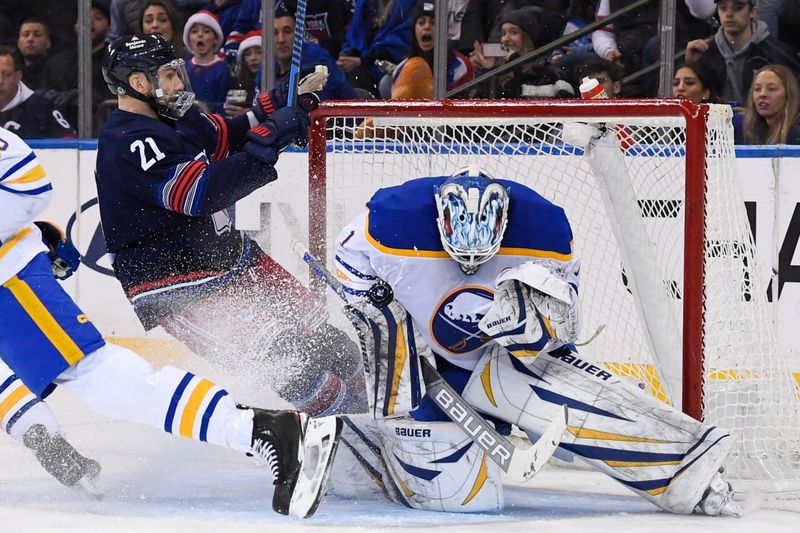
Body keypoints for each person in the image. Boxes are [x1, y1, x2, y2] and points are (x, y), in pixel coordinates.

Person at [330, 162, 742, 516]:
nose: (471, 267)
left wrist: (530, 327)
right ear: (440, 223)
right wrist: (370, 297)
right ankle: (352, 442)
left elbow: (565, 318)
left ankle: (692, 475)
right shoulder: (391, 218)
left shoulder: (543, 228)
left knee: (577, 397)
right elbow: (347, 257)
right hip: (424, 365)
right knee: (457, 492)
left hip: (506, 358)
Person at [0, 123, 340, 517]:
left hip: (8, 278)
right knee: (92, 375)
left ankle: (261, 428)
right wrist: (38, 433)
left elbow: (25, 178)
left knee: (96, 374)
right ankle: (261, 428)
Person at [95, 34, 365, 417]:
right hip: (178, 283)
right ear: (139, 84)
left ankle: (374, 416)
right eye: (169, 76)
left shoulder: (177, 117)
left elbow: (226, 137)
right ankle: (344, 432)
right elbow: (199, 193)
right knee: (289, 360)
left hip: (232, 259)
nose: (178, 83)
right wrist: (269, 140)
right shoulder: (128, 141)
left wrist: (278, 104)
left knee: (332, 344)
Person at [686, 0, 800, 106]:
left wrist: (754, 117)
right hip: (716, 125)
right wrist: (692, 67)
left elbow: (793, 102)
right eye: (723, 8)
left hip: (767, 126)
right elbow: (694, 100)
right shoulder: (705, 53)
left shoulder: (777, 53)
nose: (729, 14)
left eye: (738, 7)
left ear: (753, 11)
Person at [471, 6, 574, 99]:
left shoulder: (549, 74)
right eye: (503, 33)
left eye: (514, 32)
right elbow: (486, 110)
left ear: (527, 39)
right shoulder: (498, 74)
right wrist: (489, 71)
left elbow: (518, 106)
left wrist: (516, 64)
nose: (505, 39)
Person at [42, 0, 112, 135]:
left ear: (109, 27)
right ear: (76, 26)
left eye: (98, 18)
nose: (90, 21)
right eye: (84, 17)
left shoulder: (116, 61)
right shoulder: (57, 62)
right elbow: (44, 97)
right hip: (61, 133)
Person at [388, 0, 474, 99]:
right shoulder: (400, 70)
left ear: (443, 29)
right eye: (421, 23)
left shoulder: (461, 67)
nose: (427, 27)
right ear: (414, 30)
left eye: (433, 23)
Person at [337, 0, 417, 97]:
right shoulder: (365, 4)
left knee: (384, 83)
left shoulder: (408, 4)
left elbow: (399, 45)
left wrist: (362, 61)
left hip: (393, 70)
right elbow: (355, 36)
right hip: (365, 68)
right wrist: (347, 53)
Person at [0, 46, 74, 138]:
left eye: (7, 74)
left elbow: (69, 146)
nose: (0, 81)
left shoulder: (43, 109)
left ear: (18, 77)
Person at [182, 10, 232, 113]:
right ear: (189, 39)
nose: (200, 35)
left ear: (215, 39)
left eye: (206, 31)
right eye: (195, 31)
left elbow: (223, 104)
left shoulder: (223, 69)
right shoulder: (184, 67)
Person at [738, 64, 800, 144]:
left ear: (788, 94)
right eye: (757, 89)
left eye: (771, 89)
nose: (762, 94)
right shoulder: (751, 132)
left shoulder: (796, 134)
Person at [15, 17, 52, 90]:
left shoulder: (57, 68)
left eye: (37, 35)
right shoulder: (10, 67)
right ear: (18, 43)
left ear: (48, 43)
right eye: (25, 35)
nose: (30, 39)